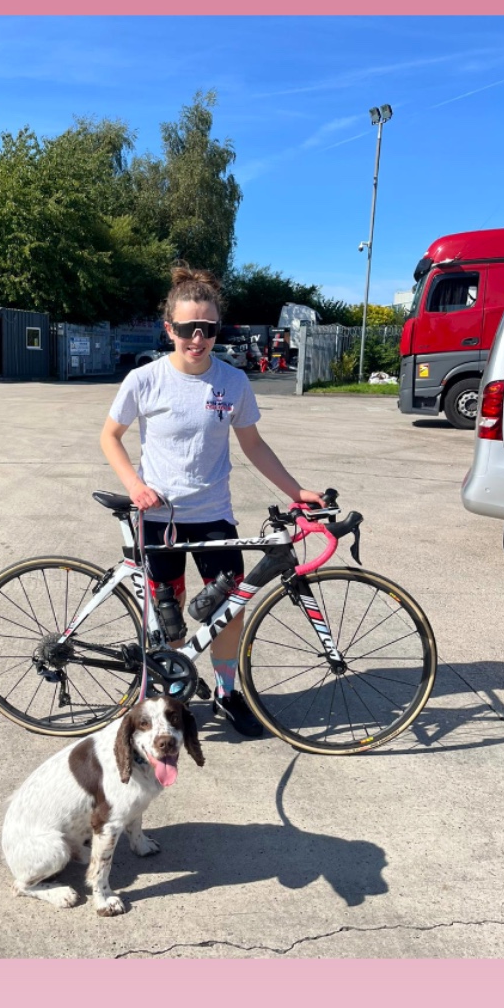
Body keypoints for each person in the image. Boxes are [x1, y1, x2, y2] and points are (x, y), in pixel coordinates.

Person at [101, 266, 325, 738]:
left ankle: (226, 692)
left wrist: (295, 491)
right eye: (186, 329)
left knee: (229, 609)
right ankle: (174, 695)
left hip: (215, 516)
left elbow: (254, 445)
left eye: (207, 329)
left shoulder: (232, 382)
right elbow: (110, 437)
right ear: (170, 330)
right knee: (170, 611)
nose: (196, 338)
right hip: (159, 518)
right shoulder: (145, 380)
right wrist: (135, 485)